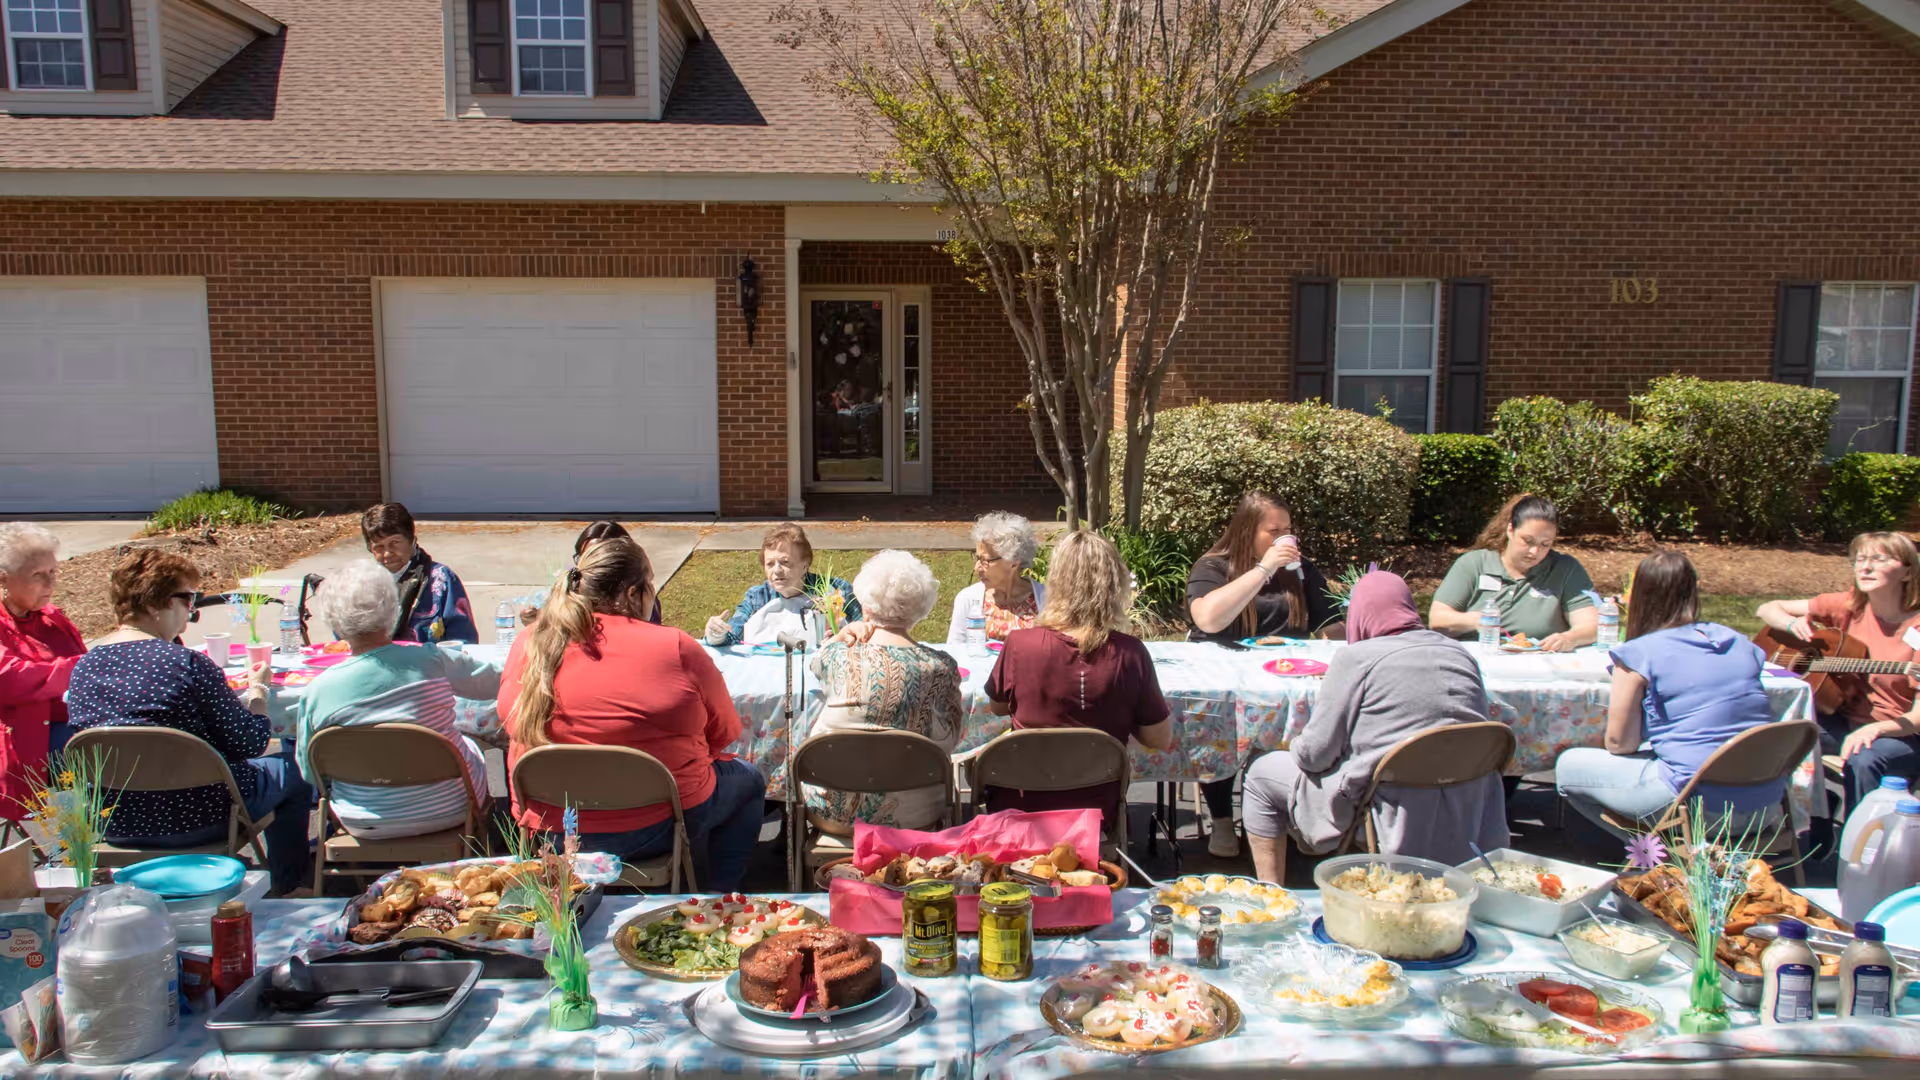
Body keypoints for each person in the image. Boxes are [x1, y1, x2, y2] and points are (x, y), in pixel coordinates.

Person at [500, 537, 766, 891]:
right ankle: (718, 898)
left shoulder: (530, 641)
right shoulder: (676, 646)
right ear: (632, 593)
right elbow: (723, 732)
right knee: (748, 779)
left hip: (551, 832)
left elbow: (508, 720)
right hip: (655, 827)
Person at [65, 550, 313, 894]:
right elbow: (249, 743)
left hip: (116, 821)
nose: (192, 611)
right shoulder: (187, 664)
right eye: (187, 598)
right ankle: (290, 885)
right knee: (295, 769)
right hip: (202, 815)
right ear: (156, 605)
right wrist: (258, 696)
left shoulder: (83, 668)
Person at [1242, 571, 1508, 883]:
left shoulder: (1356, 658)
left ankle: (1272, 896)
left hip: (1382, 803)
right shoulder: (1460, 654)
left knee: (1260, 772)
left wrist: (1295, 743)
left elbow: (1315, 755)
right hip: (1468, 805)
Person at [1557, 551, 1782, 836]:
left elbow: (1619, 744)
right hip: (1765, 804)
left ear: (1640, 596)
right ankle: (1680, 855)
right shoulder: (1738, 643)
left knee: (1567, 766)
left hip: (1698, 805)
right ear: (1693, 590)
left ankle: (1657, 856)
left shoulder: (1640, 654)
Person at [1184, 492, 1343, 856]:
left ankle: (1293, 813)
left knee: (1313, 719)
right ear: (1246, 531)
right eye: (1273, 531)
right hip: (1228, 682)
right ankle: (1222, 818)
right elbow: (1208, 618)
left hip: (1287, 679)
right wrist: (1263, 569)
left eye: (1287, 530)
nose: (1284, 539)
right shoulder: (1212, 567)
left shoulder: (1300, 570)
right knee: (1217, 720)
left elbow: (1332, 626)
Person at [294, 559, 499, 840]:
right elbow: (496, 682)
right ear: (395, 609)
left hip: (359, 817)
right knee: (493, 752)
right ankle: (503, 833)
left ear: (335, 623)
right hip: (451, 806)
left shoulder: (317, 691)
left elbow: (309, 773)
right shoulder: (431, 660)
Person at [984, 531, 1172, 823]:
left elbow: (997, 707)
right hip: (1097, 809)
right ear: (1114, 584)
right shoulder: (1130, 653)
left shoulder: (1021, 644)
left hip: (1022, 804)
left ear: (1057, 583)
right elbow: (1159, 738)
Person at [1757, 531, 1920, 811]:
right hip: (1844, 719)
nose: (1865, 567)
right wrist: (1789, 624)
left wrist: (1876, 730)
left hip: (1902, 734)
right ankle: (1811, 818)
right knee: (1778, 731)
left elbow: (1917, 717)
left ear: (1907, 572)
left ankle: (1860, 846)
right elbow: (1767, 608)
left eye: (1879, 559)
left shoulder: (1916, 628)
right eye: (1860, 559)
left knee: (1864, 757)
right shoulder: (1849, 606)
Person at [804, 551, 963, 832]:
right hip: (915, 815)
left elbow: (816, 663)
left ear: (865, 604)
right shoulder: (941, 667)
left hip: (833, 812)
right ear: (920, 610)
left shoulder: (839, 654)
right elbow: (951, 740)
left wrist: (841, 636)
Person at [1429, 494, 1597, 652]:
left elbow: (1592, 625)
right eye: (1527, 541)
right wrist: (1475, 620)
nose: (1534, 551)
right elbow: (1437, 621)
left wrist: (1569, 638)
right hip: (1476, 661)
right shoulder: (1474, 564)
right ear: (1510, 530)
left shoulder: (1565, 569)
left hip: (1540, 663)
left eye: (1545, 544)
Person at [0, 524, 85, 821]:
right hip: (21, 740)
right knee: (119, 750)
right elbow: (9, 679)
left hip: (69, 727)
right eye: (38, 574)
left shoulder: (51, 617)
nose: (50, 583)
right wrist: (80, 668)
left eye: (53, 572)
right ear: (3, 579)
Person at [703, 523, 860, 647]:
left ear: (805, 564)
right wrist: (717, 634)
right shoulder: (758, 597)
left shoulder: (837, 591)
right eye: (770, 564)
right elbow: (732, 636)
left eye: (785, 562)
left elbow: (864, 630)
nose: (777, 571)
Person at [362, 503, 477, 644]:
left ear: (412, 540)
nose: (387, 553)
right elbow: (347, 638)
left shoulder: (441, 580)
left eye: (395, 542)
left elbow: (463, 640)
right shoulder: (363, 585)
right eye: (379, 547)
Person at [520, 521, 661, 627]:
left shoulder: (641, 598)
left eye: (599, 557)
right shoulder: (568, 591)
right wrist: (539, 622)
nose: (590, 564)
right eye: (584, 556)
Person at [947, 512, 1048, 645]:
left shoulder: (1045, 599)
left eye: (985, 560)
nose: (977, 568)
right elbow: (955, 652)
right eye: (977, 558)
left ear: (1014, 561)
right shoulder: (967, 599)